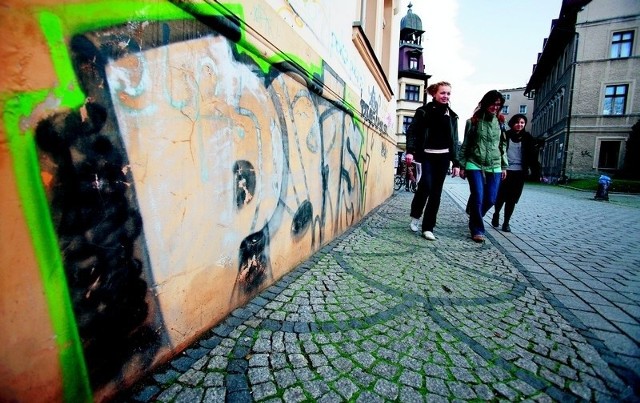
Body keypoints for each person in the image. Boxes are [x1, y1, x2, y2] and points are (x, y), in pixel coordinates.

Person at [405, 81, 460, 240]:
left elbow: (454, 140)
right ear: (434, 94)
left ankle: (428, 228)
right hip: (426, 155)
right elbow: (412, 131)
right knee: (426, 186)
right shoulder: (423, 112)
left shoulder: (452, 116)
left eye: (448, 93)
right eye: (443, 93)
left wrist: (456, 163)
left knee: (436, 193)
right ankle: (416, 215)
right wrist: (410, 151)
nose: (446, 96)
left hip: (443, 158)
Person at [459, 90, 507, 243]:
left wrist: (504, 166)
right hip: (474, 163)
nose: (495, 107)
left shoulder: (500, 122)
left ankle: (474, 212)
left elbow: (502, 145)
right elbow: (465, 144)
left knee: (491, 199)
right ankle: (477, 229)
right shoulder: (472, 121)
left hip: (495, 164)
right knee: (478, 197)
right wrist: (461, 165)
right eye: (493, 104)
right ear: (486, 103)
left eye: (498, 105)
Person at [491, 114, 542, 232]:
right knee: (500, 196)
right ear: (512, 123)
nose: (519, 125)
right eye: (517, 122)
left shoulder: (528, 138)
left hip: (519, 173)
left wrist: (536, 172)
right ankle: (496, 213)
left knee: (512, 199)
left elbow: (533, 157)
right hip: (505, 171)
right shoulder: (505, 135)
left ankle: (506, 222)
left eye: (522, 123)